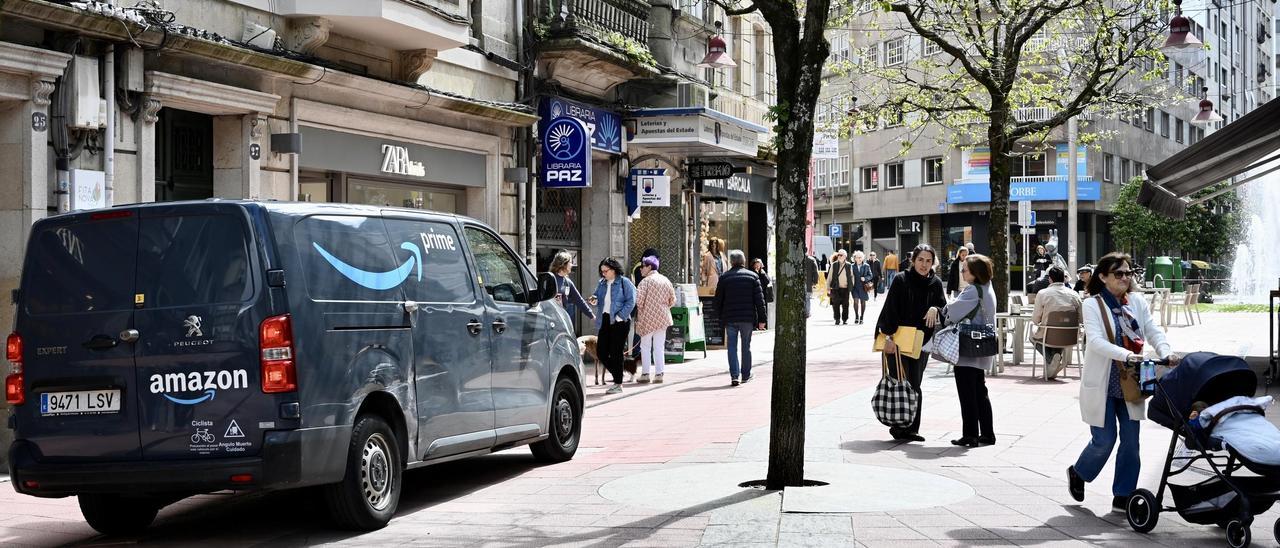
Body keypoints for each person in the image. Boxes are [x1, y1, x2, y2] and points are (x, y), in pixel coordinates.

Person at [1067, 252, 1180, 512]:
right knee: (1104, 440)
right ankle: (1079, 472)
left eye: (1128, 273)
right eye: (1119, 273)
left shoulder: (1137, 302)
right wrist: (1127, 355)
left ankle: (1124, 494)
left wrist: (1165, 352)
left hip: (1131, 382)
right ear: (1103, 277)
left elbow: (1152, 330)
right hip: (1104, 383)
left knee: (1131, 441)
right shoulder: (1092, 304)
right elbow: (1095, 341)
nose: (1125, 278)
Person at [876, 244, 947, 443]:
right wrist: (888, 337)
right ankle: (898, 426)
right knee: (900, 381)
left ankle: (912, 429)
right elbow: (890, 309)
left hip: (921, 341)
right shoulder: (901, 279)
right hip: (897, 339)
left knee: (915, 384)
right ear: (913, 260)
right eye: (921, 260)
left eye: (928, 261)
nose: (924, 264)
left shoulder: (936, 283)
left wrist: (935, 308)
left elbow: (944, 308)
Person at [942, 253, 998, 447]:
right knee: (980, 392)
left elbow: (952, 312)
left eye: (965, 269)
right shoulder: (988, 287)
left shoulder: (972, 290)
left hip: (968, 349)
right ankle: (987, 433)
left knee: (967, 393)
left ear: (975, 273)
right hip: (983, 346)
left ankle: (970, 435)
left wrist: (941, 309)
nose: (962, 272)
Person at [713, 250, 766, 386]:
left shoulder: (724, 278)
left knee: (731, 347)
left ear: (731, 262)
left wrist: (719, 318)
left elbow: (718, 300)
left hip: (730, 318)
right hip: (747, 318)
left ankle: (734, 375)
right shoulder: (753, 277)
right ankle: (746, 374)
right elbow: (759, 301)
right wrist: (762, 320)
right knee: (746, 347)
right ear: (743, 261)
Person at [590, 257, 637, 395]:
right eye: (602, 271)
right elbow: (598, 297)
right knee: (601, 352)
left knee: (616, 352)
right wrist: (594, 299)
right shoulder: (602, 283)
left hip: (620, 321)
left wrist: (620, 316)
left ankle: (618, 383)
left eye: (606, 270)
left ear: (614, 269)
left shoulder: (624, 282)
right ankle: (619, 374)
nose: (603, 273)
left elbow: (631, 301)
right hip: (604, 319)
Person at [1031, 267, 1082, 379]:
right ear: (1064, 278)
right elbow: (1082, 318)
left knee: (1032, 336)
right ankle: (1055, 358)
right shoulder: (1074, 294)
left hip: (1048, 336)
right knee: (1058, 335)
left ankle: (1052, 358)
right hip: (1070, 336)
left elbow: (1035, 320)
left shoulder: (1042, 293)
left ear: (1050, 279)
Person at [634, 256, 675, 384]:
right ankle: (659, 374)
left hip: (647, 318)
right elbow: (672, 300)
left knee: (645, 346)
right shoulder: (665, 280)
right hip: (663, 318)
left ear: (649, 267)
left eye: (643, 266)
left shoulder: (644, 282)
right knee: (659, 346)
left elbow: (639, 301)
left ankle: (645, 373)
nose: (641, 269)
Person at [549, 251, 595, 331]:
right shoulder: (550, 279)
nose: (572, 265)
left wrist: (591, 316)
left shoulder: (568, 282)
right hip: (550, 320)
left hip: (562, 320)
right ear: (563, 264)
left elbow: (579, 300)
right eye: (570, 262)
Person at [827, 250, 853, 325]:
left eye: (841, 255)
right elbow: (829, 276)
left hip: (845, 288)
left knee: (846, 305)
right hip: (836, 288)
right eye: (838, 255)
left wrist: (851, 286)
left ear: (845, 256)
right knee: (836, 304)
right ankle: (837, 319)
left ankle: (845, 319)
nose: (839, 256)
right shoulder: (834, 264)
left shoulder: (848, 265)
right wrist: (828, 287)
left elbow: (852, 276)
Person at [850, 250, 873, 324]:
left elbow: (870, 275)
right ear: (855, 258)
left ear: (862, 258)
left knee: (863, 302)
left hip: (863, 287)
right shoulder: (852, 266)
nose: (859, 259)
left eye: (860, 257)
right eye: (857, 257)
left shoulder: (866, 266)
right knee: (856, 302)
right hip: (855, 287)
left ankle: (862, 317)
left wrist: (865, 278)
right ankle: (856, 316)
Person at [804, 253, 820, 319]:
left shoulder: (796, 258)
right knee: (807, 298)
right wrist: (815, 282)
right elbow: (816, 272)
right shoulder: (811, 259)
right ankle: (807, 313)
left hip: (800, 282)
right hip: (808, 282)